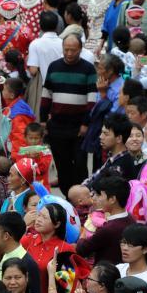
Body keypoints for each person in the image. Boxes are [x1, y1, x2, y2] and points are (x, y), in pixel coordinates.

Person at [41, 34, 98, 194]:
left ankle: (82, 195)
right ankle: (68, 197)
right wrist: (43, 120)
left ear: (80, 49)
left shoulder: (88, 69)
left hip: (78, 126)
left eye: (73, 50)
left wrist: (86, 123)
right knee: (62, 164)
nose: (69, 53)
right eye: (66, 50)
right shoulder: (54, 66)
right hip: (57, 125)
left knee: (80, 164)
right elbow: (46, 95)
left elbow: (92, 99)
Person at [76, 176, 133, 264]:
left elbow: (82, 249)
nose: (94, 198)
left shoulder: (108, 229)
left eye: (99, 195)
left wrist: (82, 235)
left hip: (104, 273)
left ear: (112, 199)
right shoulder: (130, 218)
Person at [116, 223, 147, 291]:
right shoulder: (118, 268)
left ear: (145, 249)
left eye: (131, 244)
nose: (125, 248)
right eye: (123, 242)